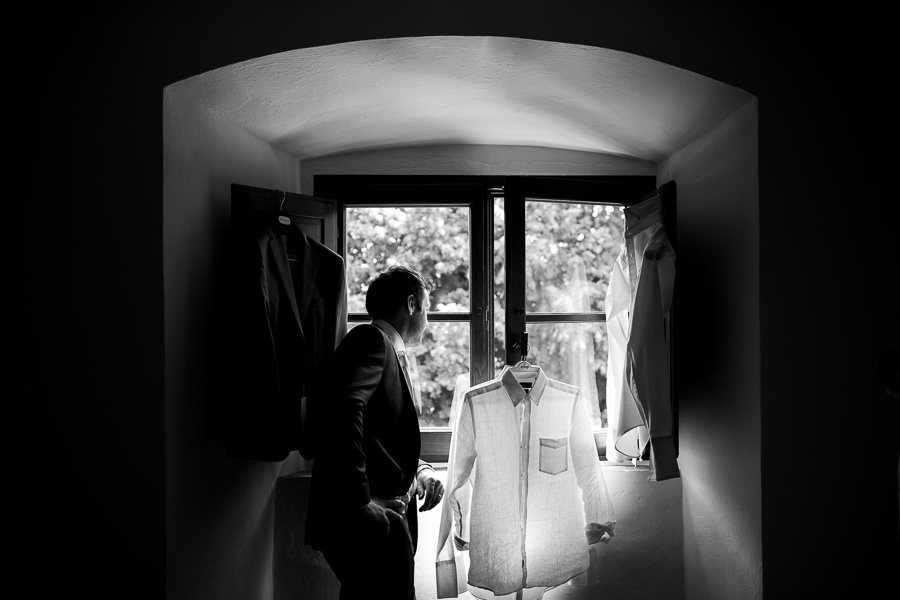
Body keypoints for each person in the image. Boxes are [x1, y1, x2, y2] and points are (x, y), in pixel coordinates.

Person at [305, 265, 445, 600]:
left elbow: (379, 437)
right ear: (411, 304)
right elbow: (342, 411)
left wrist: (421, 471)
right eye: (426, 308)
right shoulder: (370, 340)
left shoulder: (388, 350)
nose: (427, 320)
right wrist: (360, 502)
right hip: (367, 520)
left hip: (383, 519)